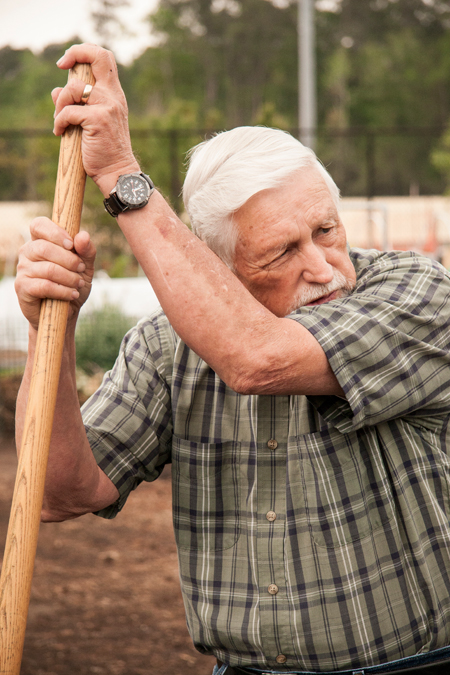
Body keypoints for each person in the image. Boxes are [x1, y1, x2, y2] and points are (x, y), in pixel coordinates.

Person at [14, 44, 450, 675]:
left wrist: (120, 177)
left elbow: (258, 359)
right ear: (220, 270)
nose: (323, 266)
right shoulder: (167, 348)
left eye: (325, 231)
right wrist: (46, 327)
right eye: (281, 253)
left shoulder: (417, 294)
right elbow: (57, 491)